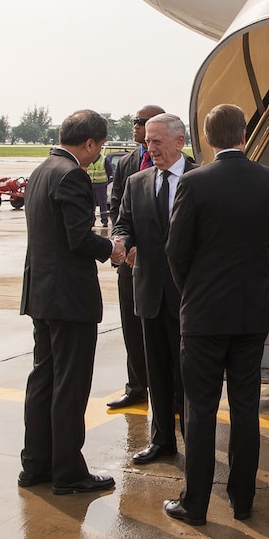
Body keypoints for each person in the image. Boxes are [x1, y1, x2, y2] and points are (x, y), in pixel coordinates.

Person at [162, 104, 269, 525]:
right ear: (244, 135)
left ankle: (195, 504)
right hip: (251, 313)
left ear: (208, 138)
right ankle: (243, 500)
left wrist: (192, 293)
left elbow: (175, 251)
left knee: (200, 409)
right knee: (245, 408)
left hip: (203, 315)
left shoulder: (195, 182)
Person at [18, 109, 125, 495]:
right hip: (69, 299)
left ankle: (35, 464)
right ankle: (68, 472)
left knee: (43, 379)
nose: (98, 156)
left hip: (42, 294)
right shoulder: (72, 175)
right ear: (90, 143)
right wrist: (111, 249)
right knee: (70, 384)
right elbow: (78, 238)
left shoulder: (42, 170)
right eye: (98, 148)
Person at [112, 113, 194, 465]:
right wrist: (120, 240)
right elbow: (124, 222)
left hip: (190, 295)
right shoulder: (137, 181)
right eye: (147, 141)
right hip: (149, 292)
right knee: (157, 370)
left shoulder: (200, 178)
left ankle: (195, 441)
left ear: (180, 141)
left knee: (189, 374)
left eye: (157, 141)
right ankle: (162, 440)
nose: (151, 148)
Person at [105, 105, 164, 410]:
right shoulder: (127, 164)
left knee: (167, 331)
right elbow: (117, 211)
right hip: (130, 262)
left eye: (141, 122)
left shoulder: (189, 168)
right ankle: (137, 386)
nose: (135, 127)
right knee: (131, 324)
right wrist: (124, 246)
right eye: (134, 122)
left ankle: (172, 392)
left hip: (163, 264)